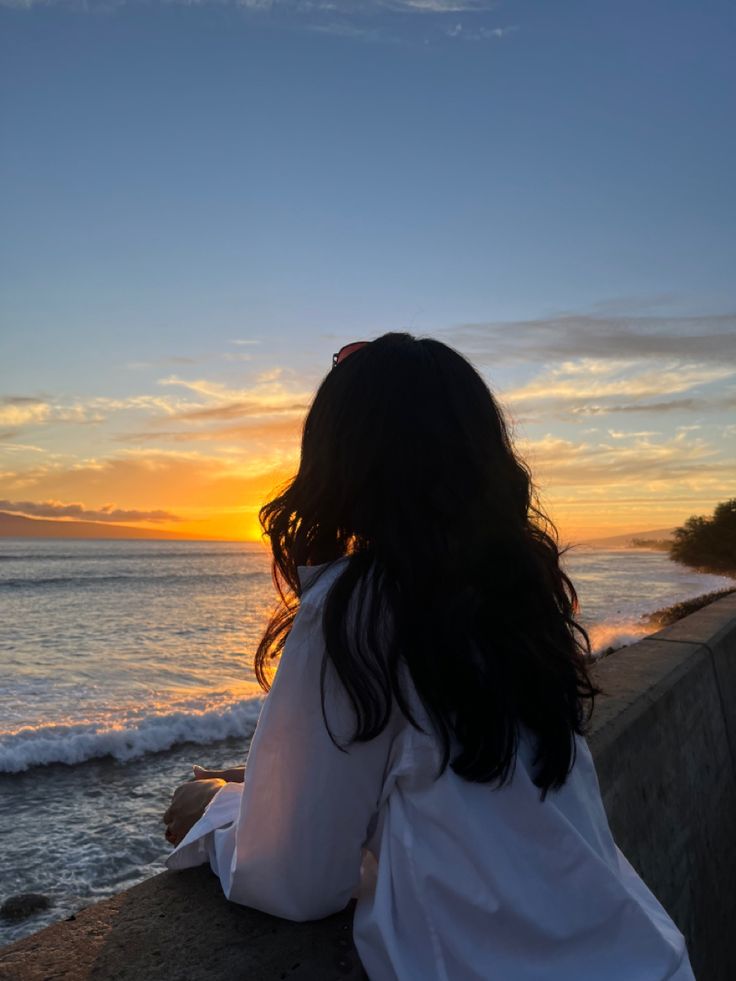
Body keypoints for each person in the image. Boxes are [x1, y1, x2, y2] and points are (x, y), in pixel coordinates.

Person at [163, 333, 695, 980]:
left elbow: (296, 879)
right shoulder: (516, 600)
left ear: (342, 457)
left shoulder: (360, 607)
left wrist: (213, 814)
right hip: (644, 957)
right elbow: (448, 784)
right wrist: (270, 782)